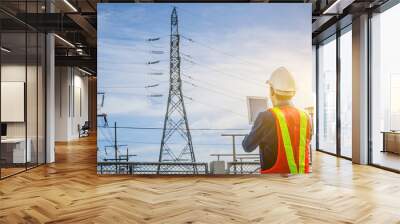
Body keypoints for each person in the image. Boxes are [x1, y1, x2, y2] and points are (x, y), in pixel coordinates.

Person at [242, 67, 312, 174]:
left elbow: (247, 147)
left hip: (274, 182)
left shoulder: (266, 117)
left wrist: (249, 136)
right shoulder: (306, 116)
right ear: (293, 92)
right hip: (301, 180)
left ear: (271, 90)